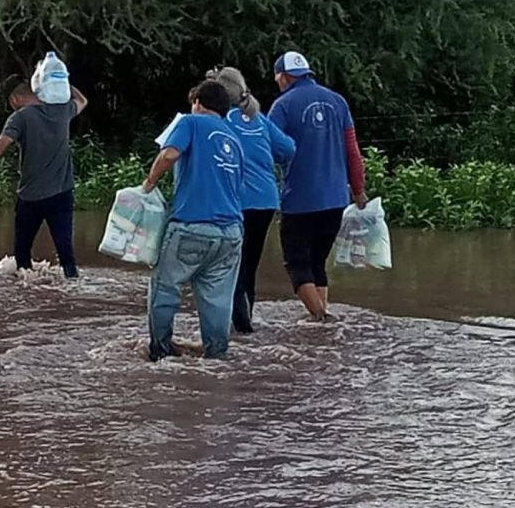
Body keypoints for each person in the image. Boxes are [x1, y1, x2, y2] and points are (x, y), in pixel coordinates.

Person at [141, 79, 244, 361]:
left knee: (165, 288)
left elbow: (169, 154)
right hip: (231, 233)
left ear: (197, 103)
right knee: (218, 299)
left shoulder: (189, 122)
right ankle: (216, 356)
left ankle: (159, 351)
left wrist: (149, 183)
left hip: (191, 227)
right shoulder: (235, 138)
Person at [0, 71, 88, 278]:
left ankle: (24, 295)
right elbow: (82, 100)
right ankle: (72, 292)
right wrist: (63, 80)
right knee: (66, 255)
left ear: (15, 98)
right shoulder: (62, 110)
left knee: (22, 255)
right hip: (62, 195)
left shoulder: (21, 117)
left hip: (31, 198)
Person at [268, 50, 366, 321]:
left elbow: (272, 149)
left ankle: (323, 320)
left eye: (278, 78)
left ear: (285, 77)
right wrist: (358, 189)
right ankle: (318, 321)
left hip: (299, 198)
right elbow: (352, 150)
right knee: (317, 263)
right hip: (336, 199)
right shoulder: (338, 102)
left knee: (297, 264)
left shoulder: (283, 106)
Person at [208, 66, 296, 334]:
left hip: (237, 200)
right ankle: (245, 319)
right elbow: (289, 148)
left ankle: (239, 324)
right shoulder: (258, 118)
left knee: (232, 263)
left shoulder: (222, 120)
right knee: (250, 262)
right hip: (267, 200)